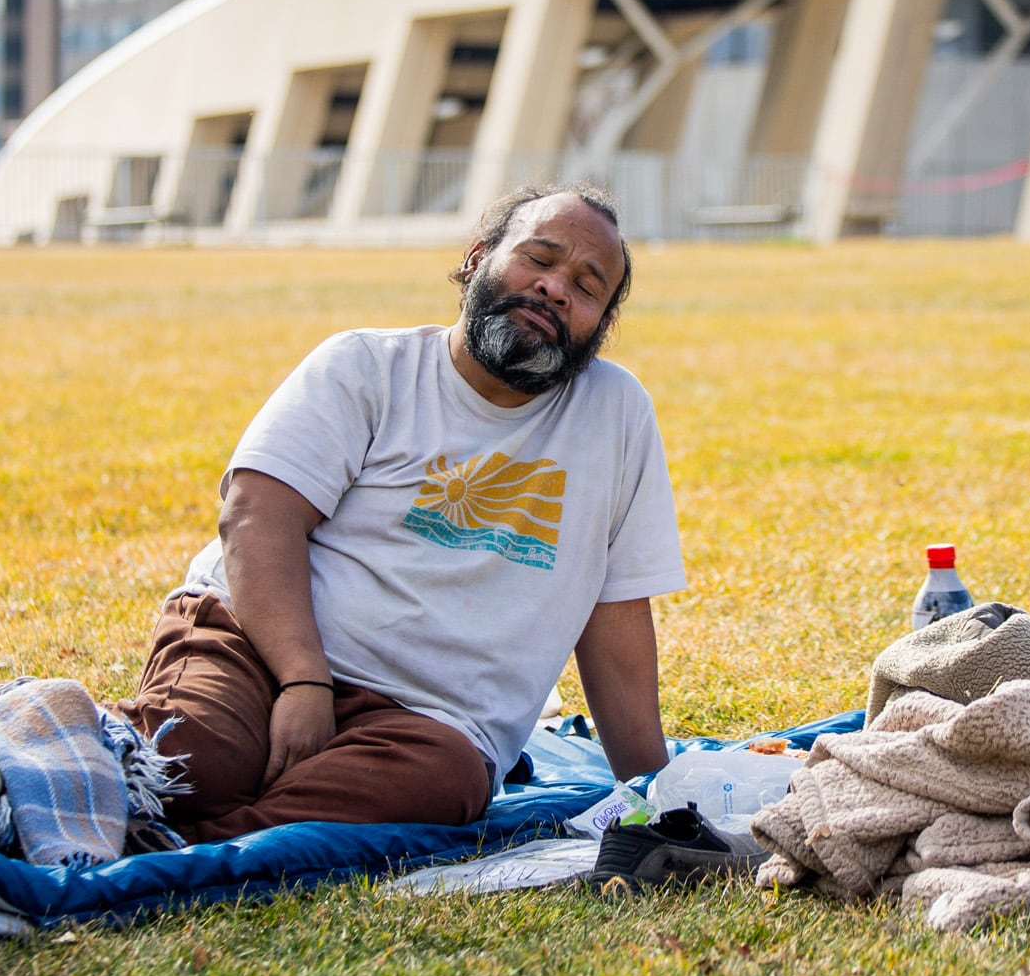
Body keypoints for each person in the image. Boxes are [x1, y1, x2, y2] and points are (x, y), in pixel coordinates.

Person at [122, 184, 683, 841]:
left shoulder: (615, 415)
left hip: (429, 722)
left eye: (587, 287)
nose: (556, 288)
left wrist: (656, 796)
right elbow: (257, 516)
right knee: (189, 761)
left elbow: (613, 616)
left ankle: (186, 850)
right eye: (539, 258)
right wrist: (303, 683)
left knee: (438, 780)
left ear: (600, 328)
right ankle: (155, 806)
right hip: (257, 648)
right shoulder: (365, 366)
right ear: (478, 260)